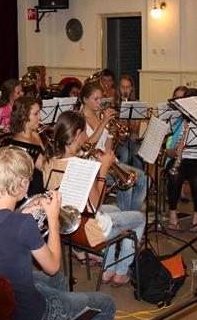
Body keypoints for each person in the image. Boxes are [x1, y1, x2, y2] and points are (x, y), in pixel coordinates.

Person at [0, 146, 116, 320]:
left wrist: (22, 215)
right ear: (22, 183)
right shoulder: (22, 225)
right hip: (26, 319)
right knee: (106, 304)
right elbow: (52, 266)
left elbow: (2, 229)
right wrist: (53, 219)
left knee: (57, 280)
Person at [44, 111, 145, 285]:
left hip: (65, 224)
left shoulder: (49, 161)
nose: (86, 136)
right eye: (84, 132)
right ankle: (120, 273)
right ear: (77, 133)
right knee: (140, 219)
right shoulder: (81, 165)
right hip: (87, 231)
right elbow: (96, 205)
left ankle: (108, 270)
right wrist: (103, 169)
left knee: (115, 210)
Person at [80, 82, 148, 212]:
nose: (99, 102)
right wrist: (104, 123)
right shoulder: (79, 118)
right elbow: (87, 145)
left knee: (144, 179)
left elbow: (108, 148)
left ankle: (132, 215)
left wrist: (110, 134)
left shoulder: (100, 115)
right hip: (91, 164)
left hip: (106, 161)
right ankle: (126, 217)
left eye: (101, 98)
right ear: (85, 99)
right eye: (96, 99)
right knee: (125, 184)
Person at [164, 88, 197, 232]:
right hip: (179, 158)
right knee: (175, 176)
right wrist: (173, 150)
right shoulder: (177, 122)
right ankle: (172, 214)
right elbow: (167, 150)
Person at [1, 96, 46, 196]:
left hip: (43, 183)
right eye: (36, 114)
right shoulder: (21, 143)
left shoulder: (35, 135)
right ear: (23, 117)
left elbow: (46, 159)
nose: (40, 117)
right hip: (32, 191)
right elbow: (46, 168)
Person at [116, 75, 143, 168]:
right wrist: (119, 125)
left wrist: (128, 125)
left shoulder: (137, 104)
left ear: (131, 88)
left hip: (132, 138)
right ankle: (123, 176)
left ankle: (138, 176)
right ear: (119, 88)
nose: (125, 90)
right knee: (125, 155)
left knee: (138, 154)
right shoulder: (113, 104)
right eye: (122, 87)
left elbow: (136, 130)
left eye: (128, 87)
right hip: (118, 141)